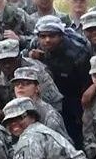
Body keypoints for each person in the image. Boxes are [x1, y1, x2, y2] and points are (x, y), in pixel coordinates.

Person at [24, 14, 91, 146]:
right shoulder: (35, 44)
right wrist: (29, 55)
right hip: (47, 93)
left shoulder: (78, 52)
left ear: (61, 35)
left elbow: (87, 83)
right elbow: (23, 56)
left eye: (52, 36)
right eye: (43, 36)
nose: (47, 40)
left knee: (74, 132)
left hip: (74, 94)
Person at [0, 39, 63, 121]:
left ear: (19, 57)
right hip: (4, 118)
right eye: (3, 61)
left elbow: (55, 102)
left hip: (34, 117)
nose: (7, 65)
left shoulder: (37, 71)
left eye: (11, 60)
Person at [11, 67, 69, 138]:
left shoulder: (49, 115)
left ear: (37, 88)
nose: (20, 86)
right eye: (17, 84)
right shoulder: (12, 110)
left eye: (26, 83)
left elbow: (62, 145)